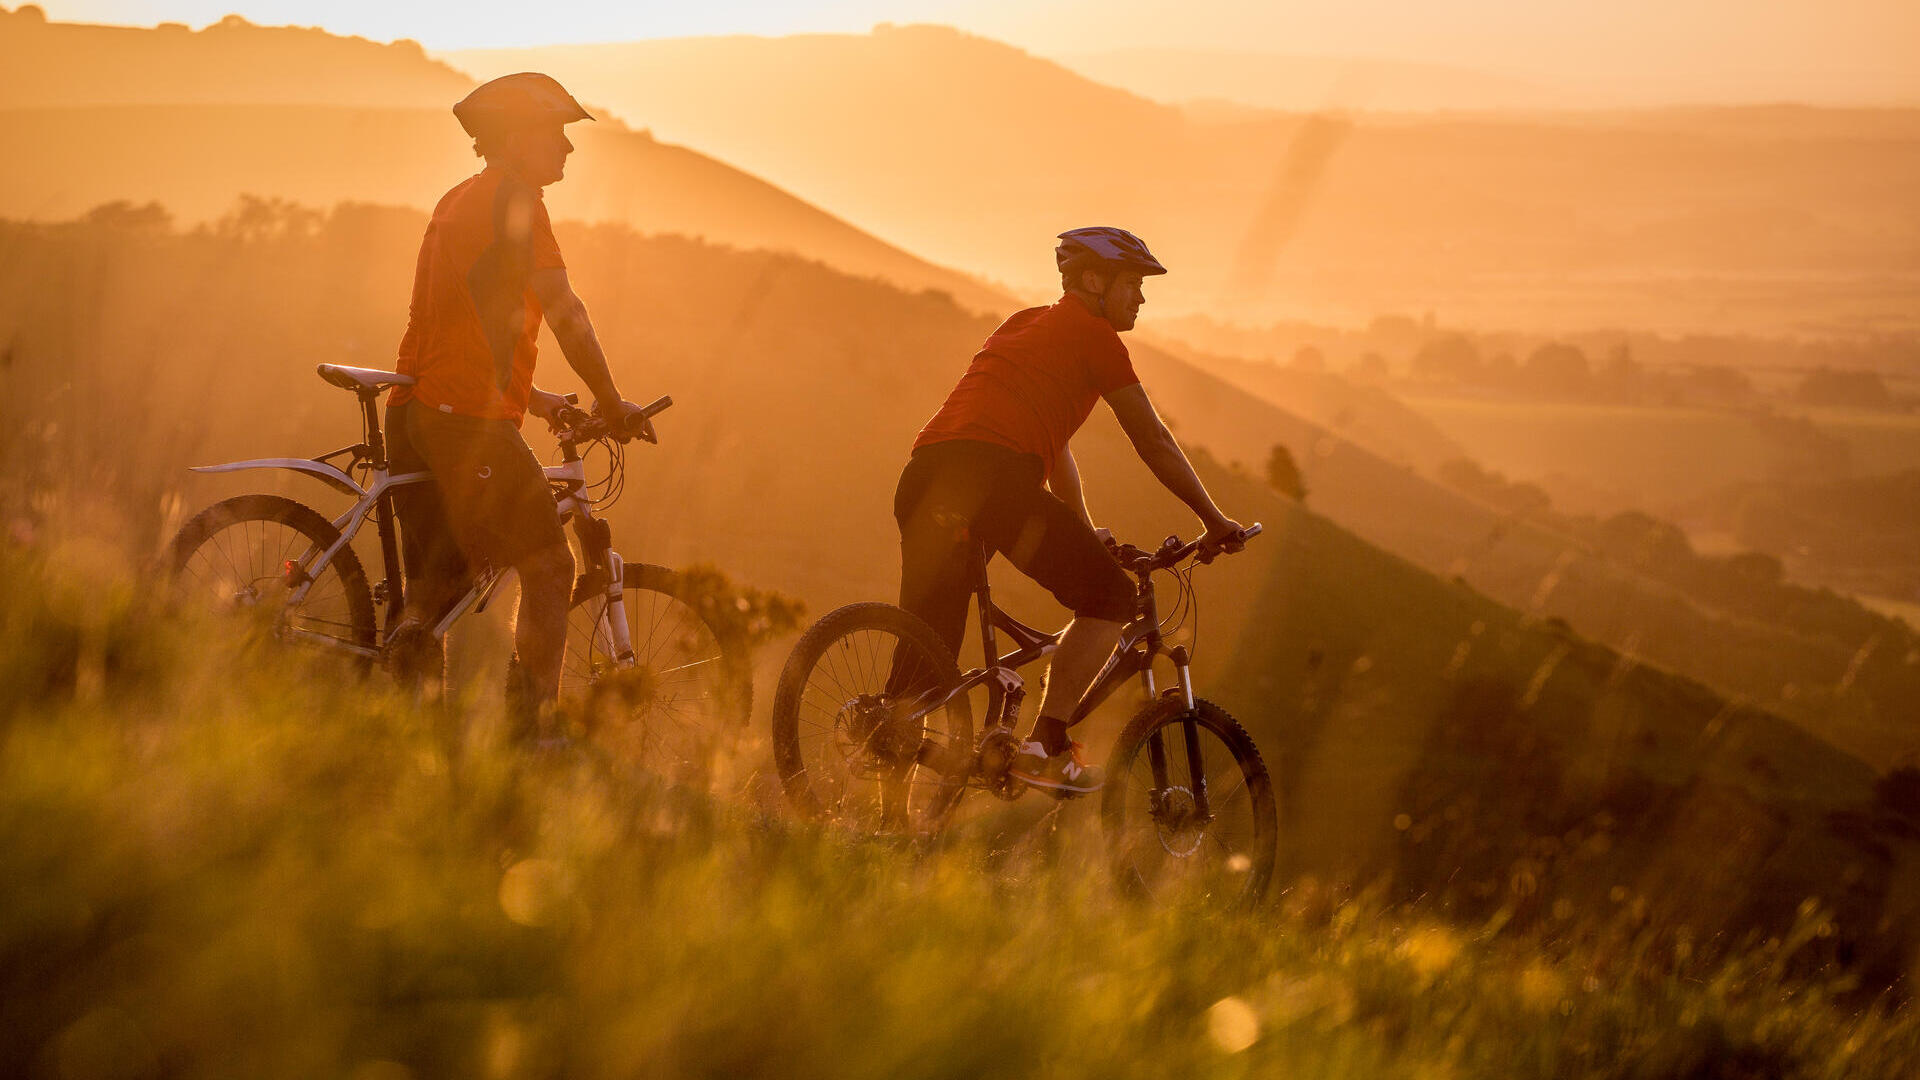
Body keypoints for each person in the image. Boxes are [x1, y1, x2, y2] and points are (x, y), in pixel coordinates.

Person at [894, 227, 1246, 793]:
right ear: (1091, 281)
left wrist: (1082, 528)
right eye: (1131, 284)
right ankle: (1045, 745)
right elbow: (1152, 439)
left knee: (923, 654)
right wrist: (1213, 519)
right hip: (994, 480)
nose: (1140, 298)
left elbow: (1051, 447)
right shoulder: (1095, 336)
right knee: (1109, 597)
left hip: (926, 479)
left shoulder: (1023, 325)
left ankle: (881, 795)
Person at [384, 72, 651, 734]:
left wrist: (536, 399)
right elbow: (563, 308)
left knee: (434, 592)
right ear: (517, 138)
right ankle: (530, 738)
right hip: (464, 422)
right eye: (554, 133)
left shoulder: (460, 199)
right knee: (551, 564)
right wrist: (612, 400)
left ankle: (414, 749)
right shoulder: (515, 205)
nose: (566, 148)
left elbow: (465, 325)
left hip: (419, 411)